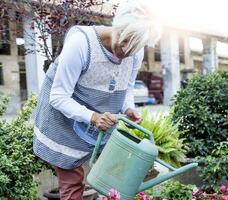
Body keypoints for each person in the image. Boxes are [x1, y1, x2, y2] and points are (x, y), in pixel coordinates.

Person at [33, 0, 161, 199]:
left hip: (100, 120)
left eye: (134, 46)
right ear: (116, 26)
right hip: (64, 120)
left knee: (114, 176)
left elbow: (126, 85)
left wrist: (128, 108)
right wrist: (93, 117)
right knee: (72, 182)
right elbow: (58, 96)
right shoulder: (82, 44)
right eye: (124, 40)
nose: (126, 50)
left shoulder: (136, 50)